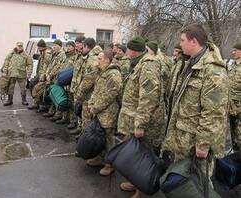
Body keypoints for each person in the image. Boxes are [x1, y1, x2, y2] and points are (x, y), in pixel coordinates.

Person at [162, 24, 229, 187]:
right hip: (183, 137)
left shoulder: (213, 69)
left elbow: (213, 112)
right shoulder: (191, 63)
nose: (181, 44)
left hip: (196, 142)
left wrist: (203, 144)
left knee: (199, 184)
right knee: (182, 181)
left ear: (194, 41)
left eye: (183, 40)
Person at [118, 36, 166, 198]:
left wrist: (140, 125)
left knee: (144, 158)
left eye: (127, 49)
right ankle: (135, 183)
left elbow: (149, 98)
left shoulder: (148, 66)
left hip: (147, 121)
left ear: (132, 50)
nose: (125, 52)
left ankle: (142, 191)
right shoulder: (140, 63)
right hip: (137, 118)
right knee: (137, 155)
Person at [87, 50, 123, 175]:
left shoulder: (113, 74)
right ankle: (100, 158)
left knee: (109, 138)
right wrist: (92, 104)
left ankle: (109, 164)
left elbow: (109, 95)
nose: (97, 61)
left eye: (100, 59)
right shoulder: (103, 72)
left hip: (108, 112)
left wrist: (95, 107)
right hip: (99, 110)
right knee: (100, 136)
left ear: (107, 60)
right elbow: (97, 91)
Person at [75, 38, 102, 130]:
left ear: (87, 46)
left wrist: (79, 94)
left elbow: (88, 79)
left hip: (89, 94)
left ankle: (84, 137)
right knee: (85, 116)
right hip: (91, 93)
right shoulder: (93, 56)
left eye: (83, 46)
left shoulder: (92, 59)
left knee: (86, 118)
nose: (82, 48)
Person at [1, 42, 33, 106]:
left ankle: (24, 100)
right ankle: (10, 100)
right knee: (10, 87)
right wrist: (5, 71)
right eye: (19, 46)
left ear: (22, 47)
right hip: (12, 73)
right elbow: (6, 61)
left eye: (21, 46)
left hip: (21, 74)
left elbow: (30, 64)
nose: (20, 47)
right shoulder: (11, 54)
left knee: (23, 88)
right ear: (16, 46)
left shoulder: (26, 55)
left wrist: (29, 74)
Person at [42, 39, 66, 119]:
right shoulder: (54, 54)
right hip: (51, 78)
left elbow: (58, 67)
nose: (54, 46)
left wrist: (50, 75)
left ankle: (58, 114)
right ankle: (51, 112)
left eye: (56, 45)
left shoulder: (62, 55)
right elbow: (50, 65)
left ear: (60, 46)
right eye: (54, 45)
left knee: (58, 95)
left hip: (56, 78)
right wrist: (47, 74)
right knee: (52, 95)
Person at [55, 41, 77, 125]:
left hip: (70, 82)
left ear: (74, 47)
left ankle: (72, 121)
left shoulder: (75, 57)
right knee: (65, 99)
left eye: (70, 46)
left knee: (71, 102)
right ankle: (64, 118)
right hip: (63, 81)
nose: (68, 47)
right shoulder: (65, 56)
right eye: (67, 46)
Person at [28, 39, 52, 110]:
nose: (38, 49)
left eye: (39, 47)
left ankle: (42, 105)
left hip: (44, 75)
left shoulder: (47, 54)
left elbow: (48, 65)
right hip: (39, 74)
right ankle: (36, 103)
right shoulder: (42, 53)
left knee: (41, 90)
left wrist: (45, 75)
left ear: (42, 47)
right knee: (32, 85)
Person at [69, 36, 86, 133]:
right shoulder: (78, 54)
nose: (76, 45)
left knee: (81, 107)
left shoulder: (86, 56)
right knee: (75, 105)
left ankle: (80, 128)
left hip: (82, 86)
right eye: (76, 43)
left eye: (78, 43)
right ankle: (76, 124)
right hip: (75, 84)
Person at [228, 41, 241, 150]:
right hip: (232, 105)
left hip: (239, 105)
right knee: (233, 133)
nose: (233, 53)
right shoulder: (233, 65)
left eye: (235, 50)